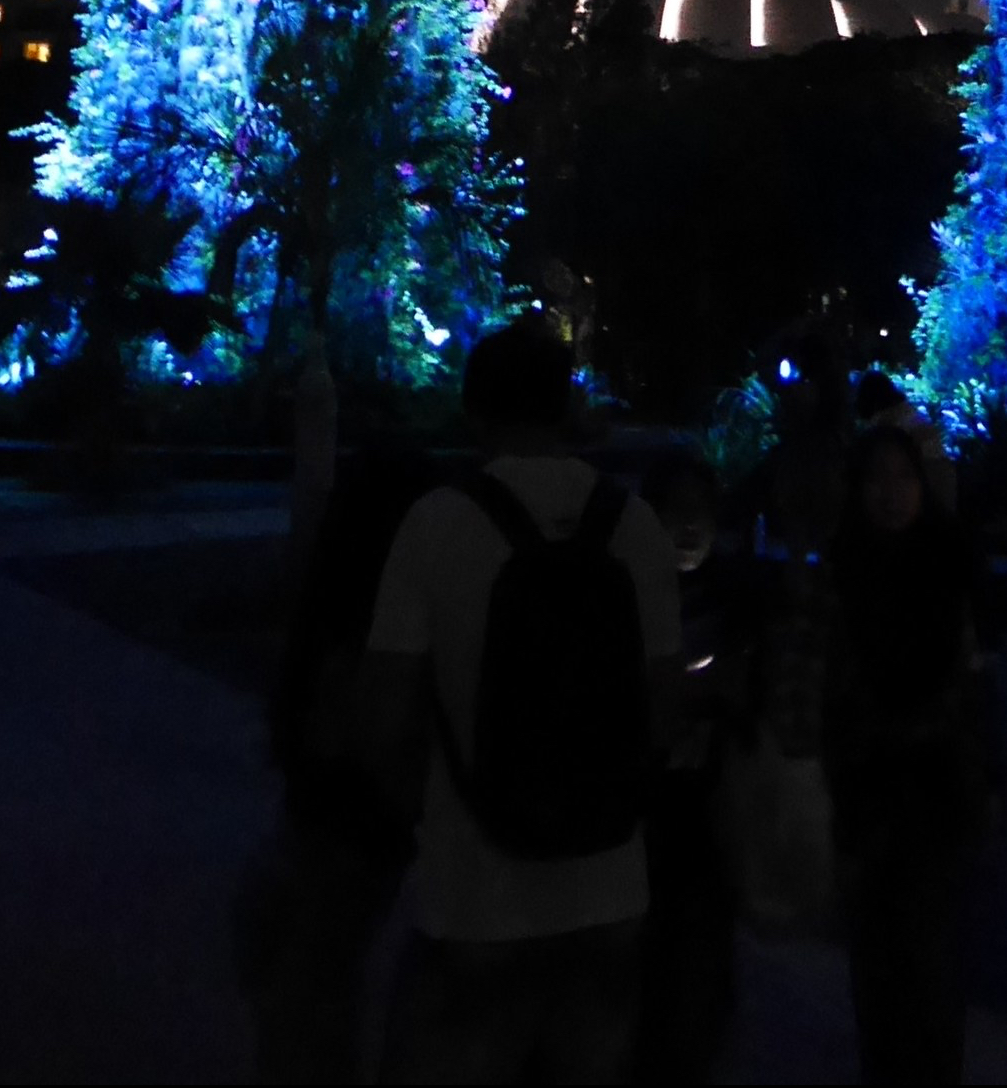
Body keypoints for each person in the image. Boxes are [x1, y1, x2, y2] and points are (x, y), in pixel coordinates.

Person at [361, 320, 684, 1087]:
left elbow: (383, 715)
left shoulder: (437, 525)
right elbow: (665, 713)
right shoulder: (632, 524)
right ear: (567, 407)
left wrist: (426, 810)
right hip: (608, 890)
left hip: (477, 895)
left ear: (474, 412)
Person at [237, 437, 442, 1080]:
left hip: (327, 830)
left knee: (304, 1003)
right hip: (350, 834)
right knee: (315, 999)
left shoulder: (339, 608)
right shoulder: (395, 617)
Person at [822, 420, 997, 1088]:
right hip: (864, 792)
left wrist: (990, 774)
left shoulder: (949, 566)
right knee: (875, 964)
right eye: (876, 479)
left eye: (902, 478)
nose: (890, 494)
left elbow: (978, 673)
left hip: (933, 792)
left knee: (926, 962)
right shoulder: (839, 569)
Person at [633, 450, 747, 1085]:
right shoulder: (625, 592)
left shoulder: (733, 595)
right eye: (674, 511)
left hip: (707, 818)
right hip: (638, 816)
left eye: (701, 512)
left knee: (697, 972)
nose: (690, 526)